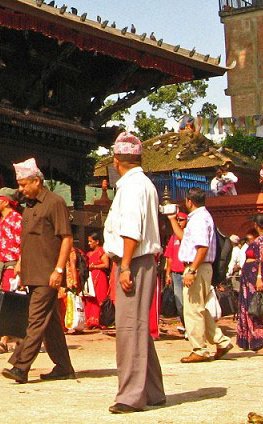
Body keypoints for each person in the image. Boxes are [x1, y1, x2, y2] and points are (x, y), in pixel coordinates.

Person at [103, 132, 165, 415]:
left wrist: (124, 265)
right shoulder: (145, 184)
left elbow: (131, 230)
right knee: (137, 327)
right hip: (139, 259)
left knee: (129, 329)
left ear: (116, 162)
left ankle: (130, 395)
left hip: (134, 261)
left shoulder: (130, 187)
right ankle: (152, 390)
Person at [2, 157, 74, 384]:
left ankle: (20, 366)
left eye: (24, 185)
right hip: (31, 273)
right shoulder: (29, 207)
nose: (21, 190)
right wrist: (21, 265)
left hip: (47, 274)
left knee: (33, 320)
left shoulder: (55, 203)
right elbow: (27, 242)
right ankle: (63, 366)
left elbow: (67, 238)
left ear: (36, 181)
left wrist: (59, 270)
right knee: (48, 322)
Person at [167, 187, 231, 363]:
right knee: (199, 308)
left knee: (192, 310)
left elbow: (202, 247)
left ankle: (199, 349)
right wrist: (172, 220)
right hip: (198, 266)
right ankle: (221, 341)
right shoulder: (199, 218)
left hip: (197, 266)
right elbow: (184, 239)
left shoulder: (200, 219)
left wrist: (193, 270)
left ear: (189, 201)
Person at [0, 187, 22, 352]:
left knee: (8, 301)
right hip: (2, 265)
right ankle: (18, 337)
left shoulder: (17, 219)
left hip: (12, 264)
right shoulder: (2, 220)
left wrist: (20, 263)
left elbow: (23, 242)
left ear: (5, 201)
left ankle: (3, 340)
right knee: (4, 299)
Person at [237, 214, 263, 352]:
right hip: (248, 279)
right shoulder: (261, 240)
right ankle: (251, 339)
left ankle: (260, 340)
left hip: (255, 279)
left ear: (256, 225)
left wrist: (259, 277)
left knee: (257, 307)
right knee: (251, 306)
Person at [164, 211, 187, 336]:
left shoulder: (188, 235)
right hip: (176, 274)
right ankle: (186, 327)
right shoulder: (173, 238)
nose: (178, 222)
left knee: (190, 304)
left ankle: (192, 329)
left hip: (187, 273)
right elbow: (169, 257)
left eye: (181, 220)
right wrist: (168, 274)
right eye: (177, 220)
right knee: (180, 304)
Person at [84, 231, 111, 330]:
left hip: (100, 277)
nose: (89, 243)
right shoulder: (89, 254)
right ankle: (90, 321)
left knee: (99, 298)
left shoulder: (102, 251)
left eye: (91, 241)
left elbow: (106, 264)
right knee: (90, 298)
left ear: (97, 241)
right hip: (91, 277)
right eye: (88, 241)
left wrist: (94, 266)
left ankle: (100, 321)